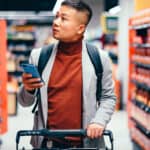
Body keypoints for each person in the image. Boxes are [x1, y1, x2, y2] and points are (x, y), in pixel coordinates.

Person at [17, 0, 116, 149]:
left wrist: (99, 121)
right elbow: (25, 102)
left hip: (86, 144)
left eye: (64, 18)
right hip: (47, 144)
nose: (56, 22)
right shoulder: (39, 56)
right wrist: (28, 88)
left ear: (80, 28)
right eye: (56, 16)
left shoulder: (99, 58)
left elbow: (108, 97)